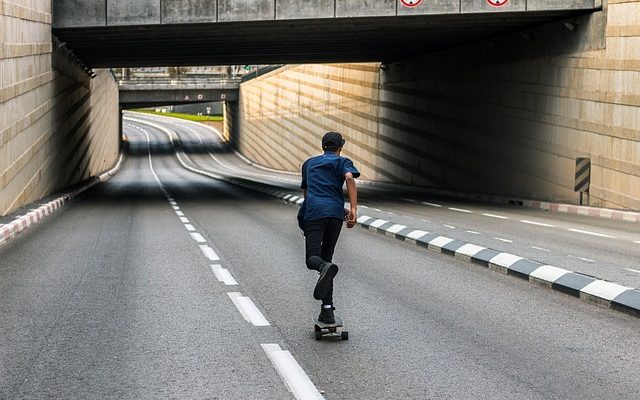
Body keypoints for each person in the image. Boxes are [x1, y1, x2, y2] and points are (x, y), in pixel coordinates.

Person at [297, 132, 360, 324]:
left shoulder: (309, 163)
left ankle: (324, 267)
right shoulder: (343, 162)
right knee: (327, 259)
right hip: (334, 214)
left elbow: (306, 191)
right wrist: (353, 209)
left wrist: (310, 212)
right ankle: (327, 310)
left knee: (313, 259)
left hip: (314, 212)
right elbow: (349, 178)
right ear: (340, 147)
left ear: (322, 146)